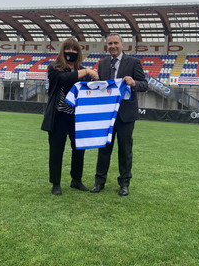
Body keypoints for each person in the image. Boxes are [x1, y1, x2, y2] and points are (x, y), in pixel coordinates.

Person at [90, 33, 148, 196]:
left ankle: (124, 184)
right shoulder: (103, 63)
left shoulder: (134, 62)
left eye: (115, 43)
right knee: (104, 149)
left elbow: (144, 85)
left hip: (125, 115)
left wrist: (134, 82)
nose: (113, 46)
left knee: (125, 150)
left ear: (122, 45)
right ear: (106, 46)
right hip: (106, 115)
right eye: (110, 44)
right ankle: (99, 182)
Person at [41, 37, 99, 195]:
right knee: (56, 151)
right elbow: (62, 79)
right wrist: (87, 72)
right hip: (57, 117)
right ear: (62, 50)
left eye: (74, 50)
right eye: (68, 49)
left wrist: (96, 79)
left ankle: (76, 180)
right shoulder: (54, 68)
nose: (71, 52)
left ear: (78, 52)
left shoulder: (82, 69)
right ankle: (56, 183)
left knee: (79, 150)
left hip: (77, 118)